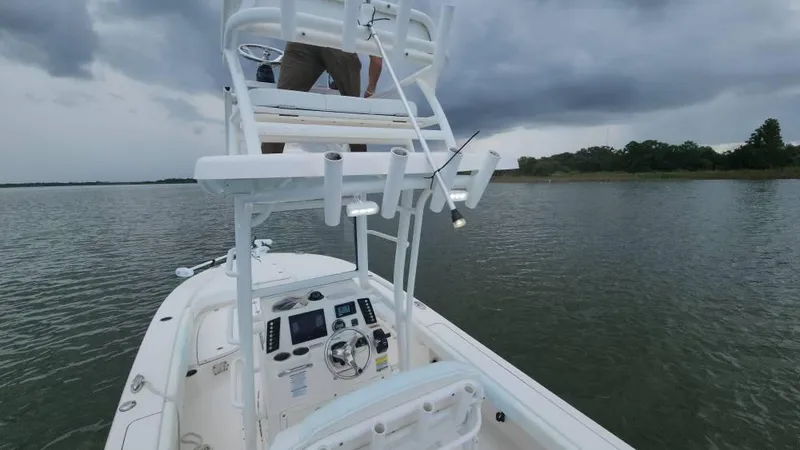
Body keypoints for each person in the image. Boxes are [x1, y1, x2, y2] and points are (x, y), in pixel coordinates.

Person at [261, 42, 383, 154]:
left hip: (302, 39)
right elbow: (376, 60)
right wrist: (370, 89)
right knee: (354, 112)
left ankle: (266, 161)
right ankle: (360, 161)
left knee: (282, 109)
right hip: (340, 43)